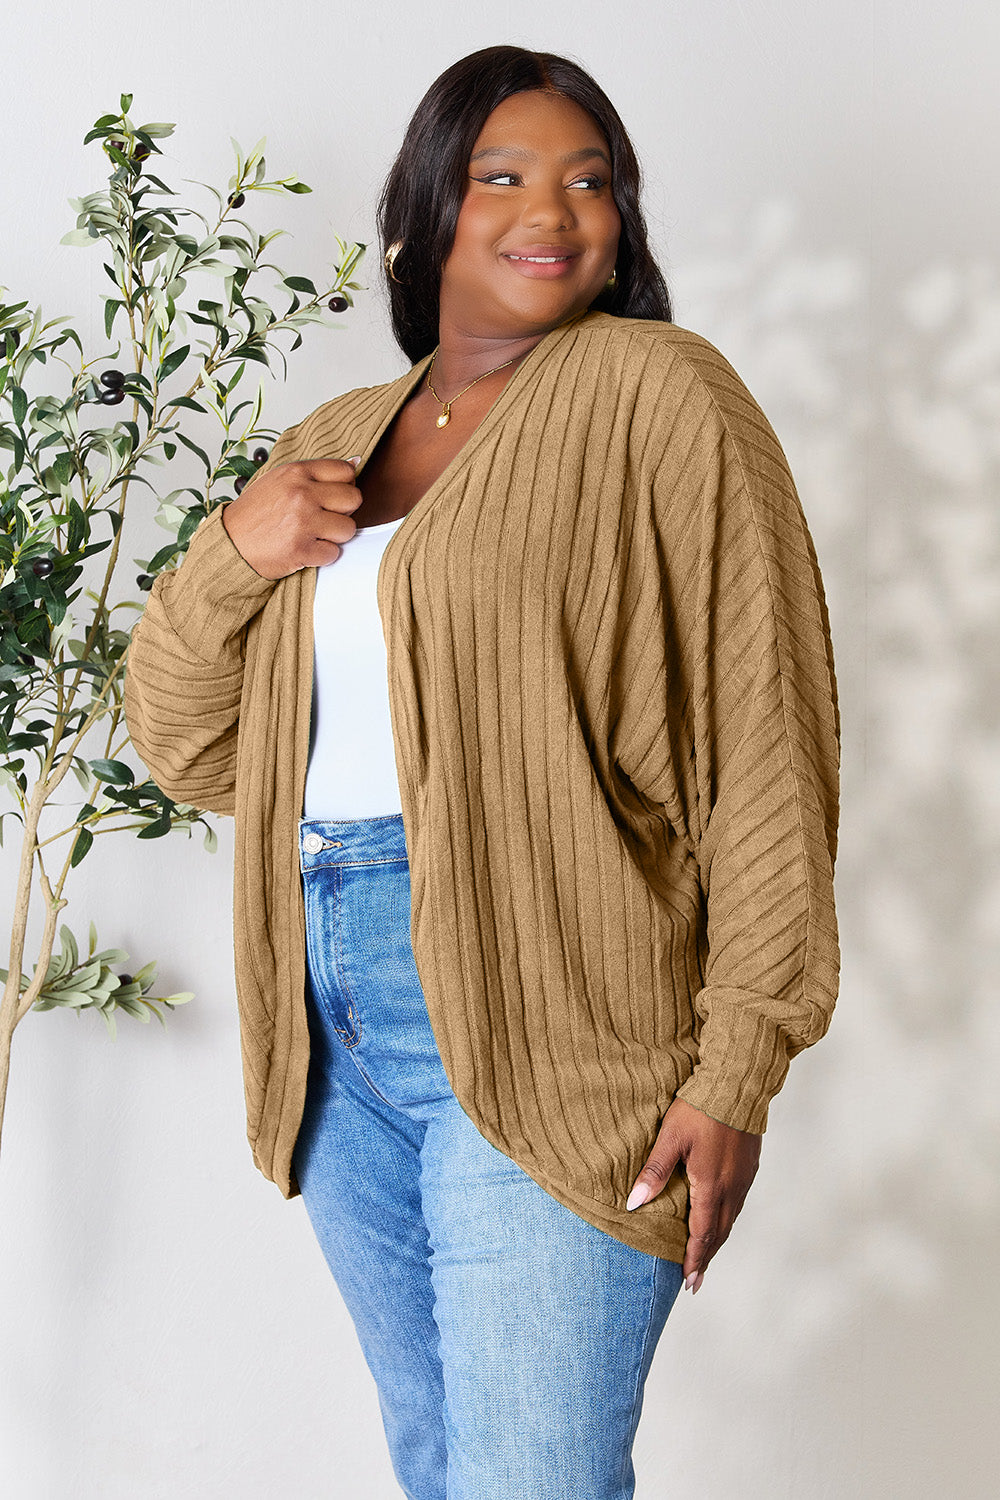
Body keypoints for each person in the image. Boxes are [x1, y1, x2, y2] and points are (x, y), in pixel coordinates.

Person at [123, 43, 840, 1500]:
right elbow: (195, 747)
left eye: (592, 182)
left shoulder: (661, 394)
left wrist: (740, 1058)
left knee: (532, 1480)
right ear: (424, 215)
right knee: (447, 1465)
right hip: (333, 1037)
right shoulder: (332, 446)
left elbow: (769, 734)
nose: (552, 211)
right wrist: (232, 554)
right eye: (501, 176)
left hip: (560, 993)